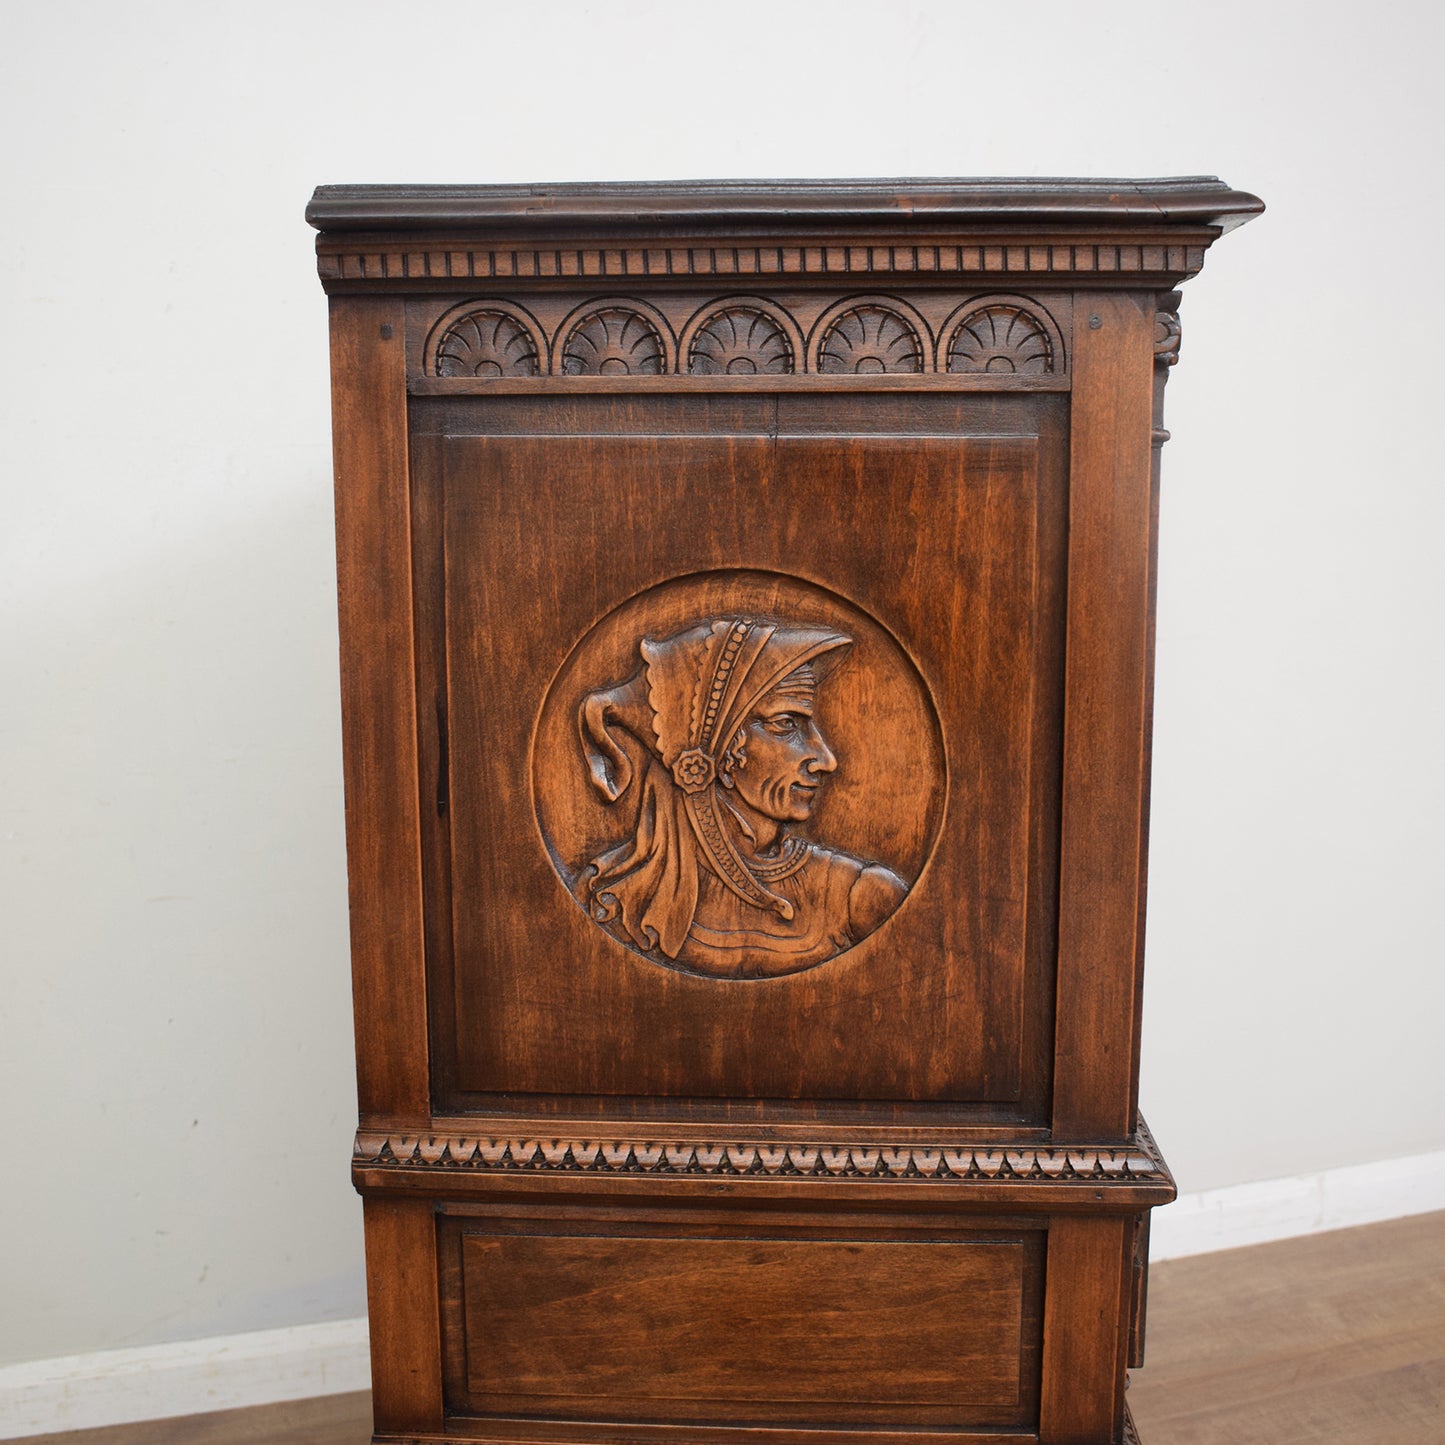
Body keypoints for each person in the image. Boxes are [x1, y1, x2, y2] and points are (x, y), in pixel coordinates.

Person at [577, 616, 907, 978]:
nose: (826, 759)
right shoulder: (615, 899)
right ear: (717, 748)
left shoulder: (860, 898)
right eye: (786, 725)